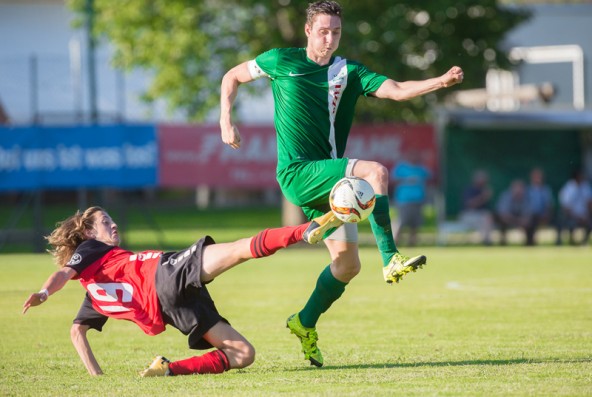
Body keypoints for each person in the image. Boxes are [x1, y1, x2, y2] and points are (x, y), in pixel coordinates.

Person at [220, 0, 463, 367]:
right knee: (376, 172)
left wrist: (440, 82)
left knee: (347, 266)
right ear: (307, 31)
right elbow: (231, 76)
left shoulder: (347, 71)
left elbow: (396, 89)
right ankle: (391, 258)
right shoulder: (280, 60)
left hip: (327, 181)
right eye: (323, 31)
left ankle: (303, 322)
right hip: (299, 172)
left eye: (335, 32)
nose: (330, 38)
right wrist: (226, 119)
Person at [23, 206, 315, 377]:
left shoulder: (96, 293)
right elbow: (63, 273)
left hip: (171, 307)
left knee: (243, 354)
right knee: (239, 249)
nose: (113, 224)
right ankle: (304, 231)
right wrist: (45, 293)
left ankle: (167, 369)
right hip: (166, 274)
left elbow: (77, 333)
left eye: (112, 219)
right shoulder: (91, 248)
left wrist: (98, 379)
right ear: (87, 234)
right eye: (104, 221)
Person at [390, 150, 432, 246]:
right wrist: (406, 180)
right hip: (403, 200)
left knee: (415, 224)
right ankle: (395, 242)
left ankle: (412, 243)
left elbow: (430, 178)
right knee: (401, 221)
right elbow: (393, 181)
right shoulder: (401, 167)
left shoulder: (421, 168)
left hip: (418, 200)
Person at [556, 170, 592, 245]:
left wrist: (587, 215)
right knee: (563, 219)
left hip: (584, 216)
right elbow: (565, 207)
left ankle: (584, 242)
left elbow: (589, 204)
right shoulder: (568, 188)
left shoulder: (586, 187)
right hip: (572, 216)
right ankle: (569, 241)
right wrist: (577, 217)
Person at [458, 170, 494, 245]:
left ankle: (487, 241)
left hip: (481, 216)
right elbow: (470, 205)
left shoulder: (484, 189)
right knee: (484, 218)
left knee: (487, 217)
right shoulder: (469, 190)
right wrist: (483, 197)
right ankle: (487, 241)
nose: (484, 182)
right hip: (468, 215)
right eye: (482, 179)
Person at [495, 179, 533, 245]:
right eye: (516, 188)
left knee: (532, 222)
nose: (518, 190)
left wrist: (522, 221)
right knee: (502, 221)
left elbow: (528, 214)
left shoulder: (527, 198)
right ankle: (503, 243)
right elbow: (503, 214)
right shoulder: (506, 196)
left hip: (520, 219)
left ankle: (529, 243)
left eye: (520, 188)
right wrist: (517, 221)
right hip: (508, 220)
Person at [525, 167, 554, 245]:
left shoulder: (546, 190)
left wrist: (546, 214)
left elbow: (549, 204)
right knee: (529, 220)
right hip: (530, 215)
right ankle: (530, 242)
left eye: (539, 176)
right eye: (535, 176)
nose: (537, 179)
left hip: (543, 214)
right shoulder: (527, 190)